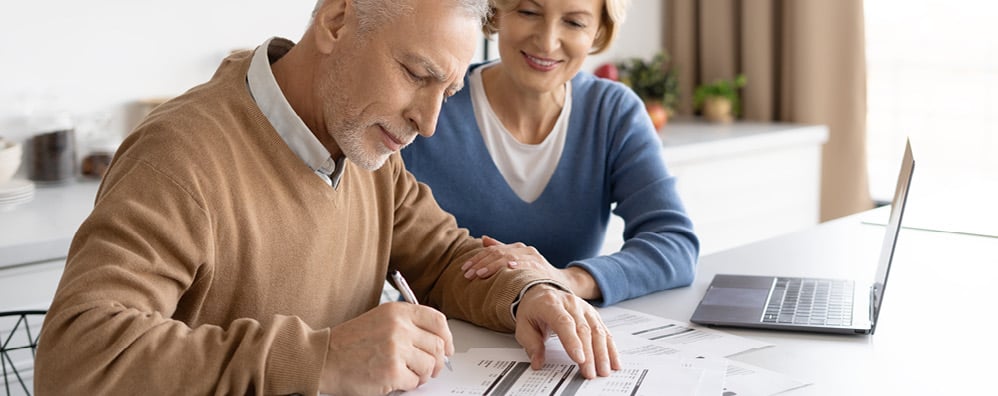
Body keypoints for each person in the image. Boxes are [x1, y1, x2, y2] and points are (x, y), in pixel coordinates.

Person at [33, 0, 620, 394]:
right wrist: (321, 359)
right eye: (417, 75)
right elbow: (75, 358)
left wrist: (529, 292)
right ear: (338, 19)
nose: (431, 121)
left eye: (448, 89)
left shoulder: (365, 145)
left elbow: (445, 259)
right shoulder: (181, 154)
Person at [401, 0, 699, 307]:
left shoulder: (612, 113)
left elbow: (674, 244)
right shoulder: (429, 106)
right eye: (529, 13)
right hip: (439, 343)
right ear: (496, 11)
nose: (547, 41)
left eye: (574, 23)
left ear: (598, 31)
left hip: (564, 342)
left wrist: (567, 279)